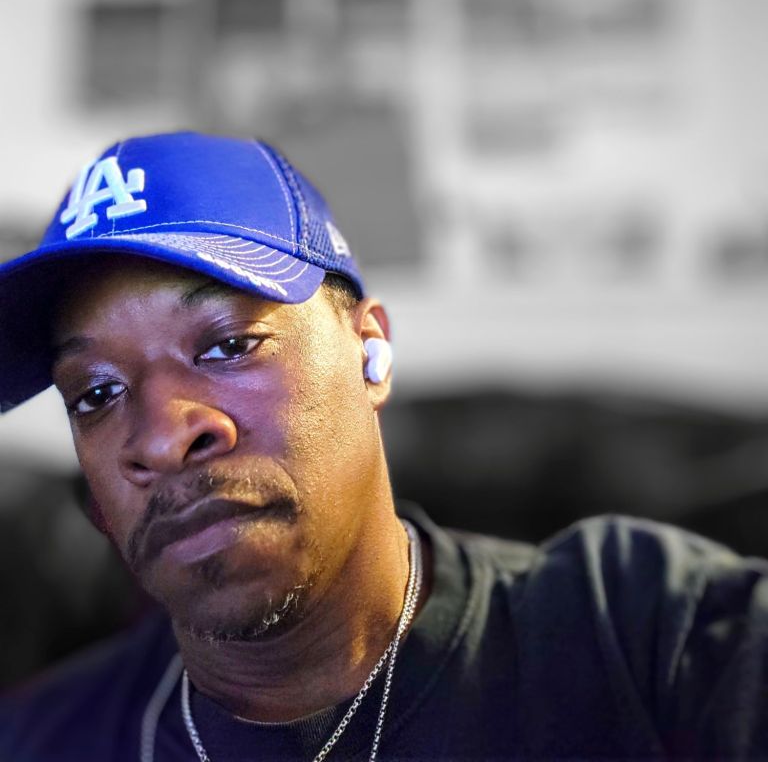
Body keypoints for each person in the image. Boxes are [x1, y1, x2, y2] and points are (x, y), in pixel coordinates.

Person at [1, 130, 767, 762]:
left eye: (230, 345)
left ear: (370, 351)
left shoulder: (649, 635)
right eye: (95, 394)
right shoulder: (38, 740)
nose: (162, 436)